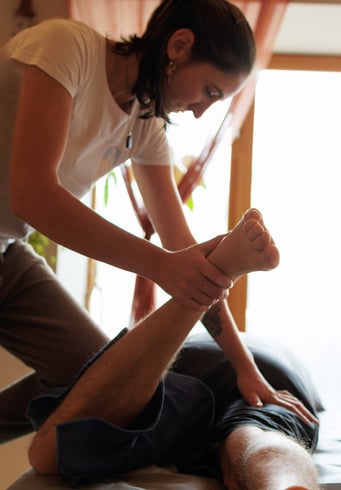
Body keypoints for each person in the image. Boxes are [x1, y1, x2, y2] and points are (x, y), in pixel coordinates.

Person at [0, 0, 291, 444]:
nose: (199, 112)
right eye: (210, 91)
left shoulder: (146, 127)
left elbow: (185, 252)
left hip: (5, 252)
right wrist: (159, 265)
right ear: (179, 45)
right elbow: (33, 195)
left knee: (96, 374)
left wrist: (245, 369)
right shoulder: (67, 47)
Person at [27, 210, 320, 489]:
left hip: (179, 370)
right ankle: (283, 486)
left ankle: (212, 277)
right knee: (254, 435)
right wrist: (248, 369)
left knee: (48, 453)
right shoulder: (280, 365)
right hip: (248, 374)